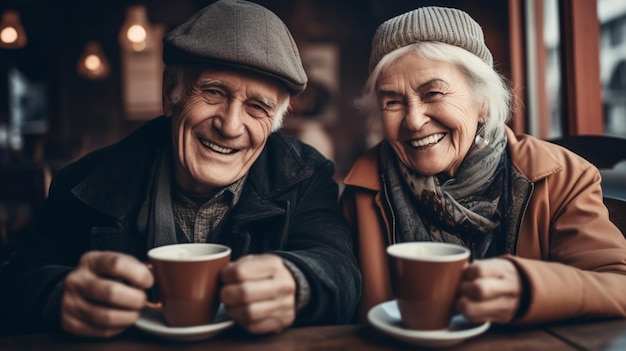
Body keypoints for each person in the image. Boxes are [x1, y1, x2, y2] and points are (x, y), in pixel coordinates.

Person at [0, 0, 360, 338]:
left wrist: (299, 283)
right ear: (171, 91)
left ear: (276, 121)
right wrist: (58, 295)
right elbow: (16, 281)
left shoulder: (307, 175)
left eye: (257, 107)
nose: (231, 126)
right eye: (214, 92)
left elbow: (341, 273)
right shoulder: (83, 182)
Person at [341, 6, 626, 325]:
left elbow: (619, 286)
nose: (414, 120)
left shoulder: (563, 177)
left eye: (433, 93)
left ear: (483, 103)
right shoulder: (362, 192)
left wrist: (531, 289)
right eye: (392, 102)